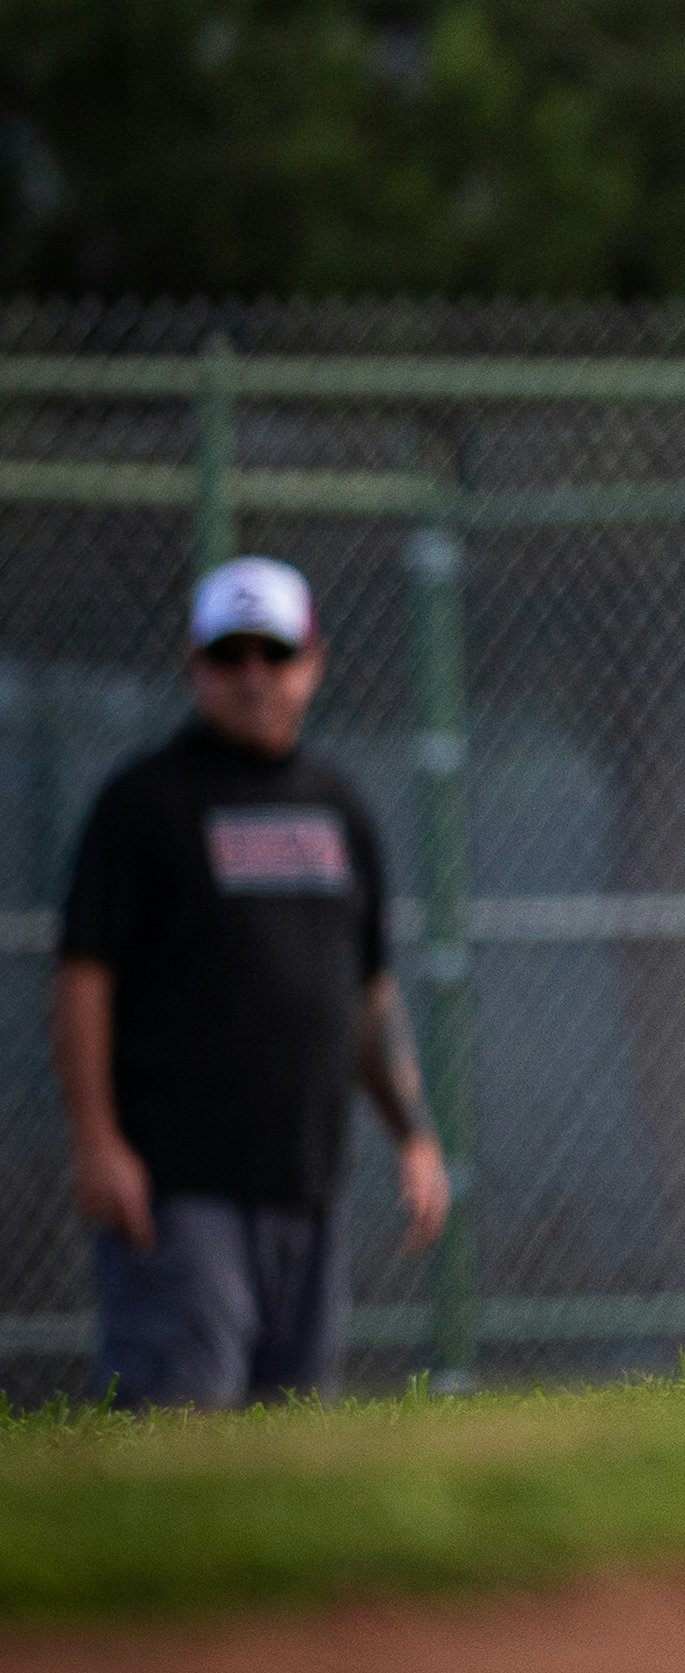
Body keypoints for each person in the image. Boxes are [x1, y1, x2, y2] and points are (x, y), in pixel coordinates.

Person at [53, 556, 450, 1411]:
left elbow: (365, 992)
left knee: (291, 1446)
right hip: (178, 1189)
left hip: (307, 1186)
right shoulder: (145, 804)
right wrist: (96, 1142)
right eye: (228, 656)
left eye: (272, 655)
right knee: (178, 1432)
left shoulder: (338, 808)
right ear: (196, 666)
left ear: (312, 662)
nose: (252, 678)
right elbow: (84, 978)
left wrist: (411, 1132)